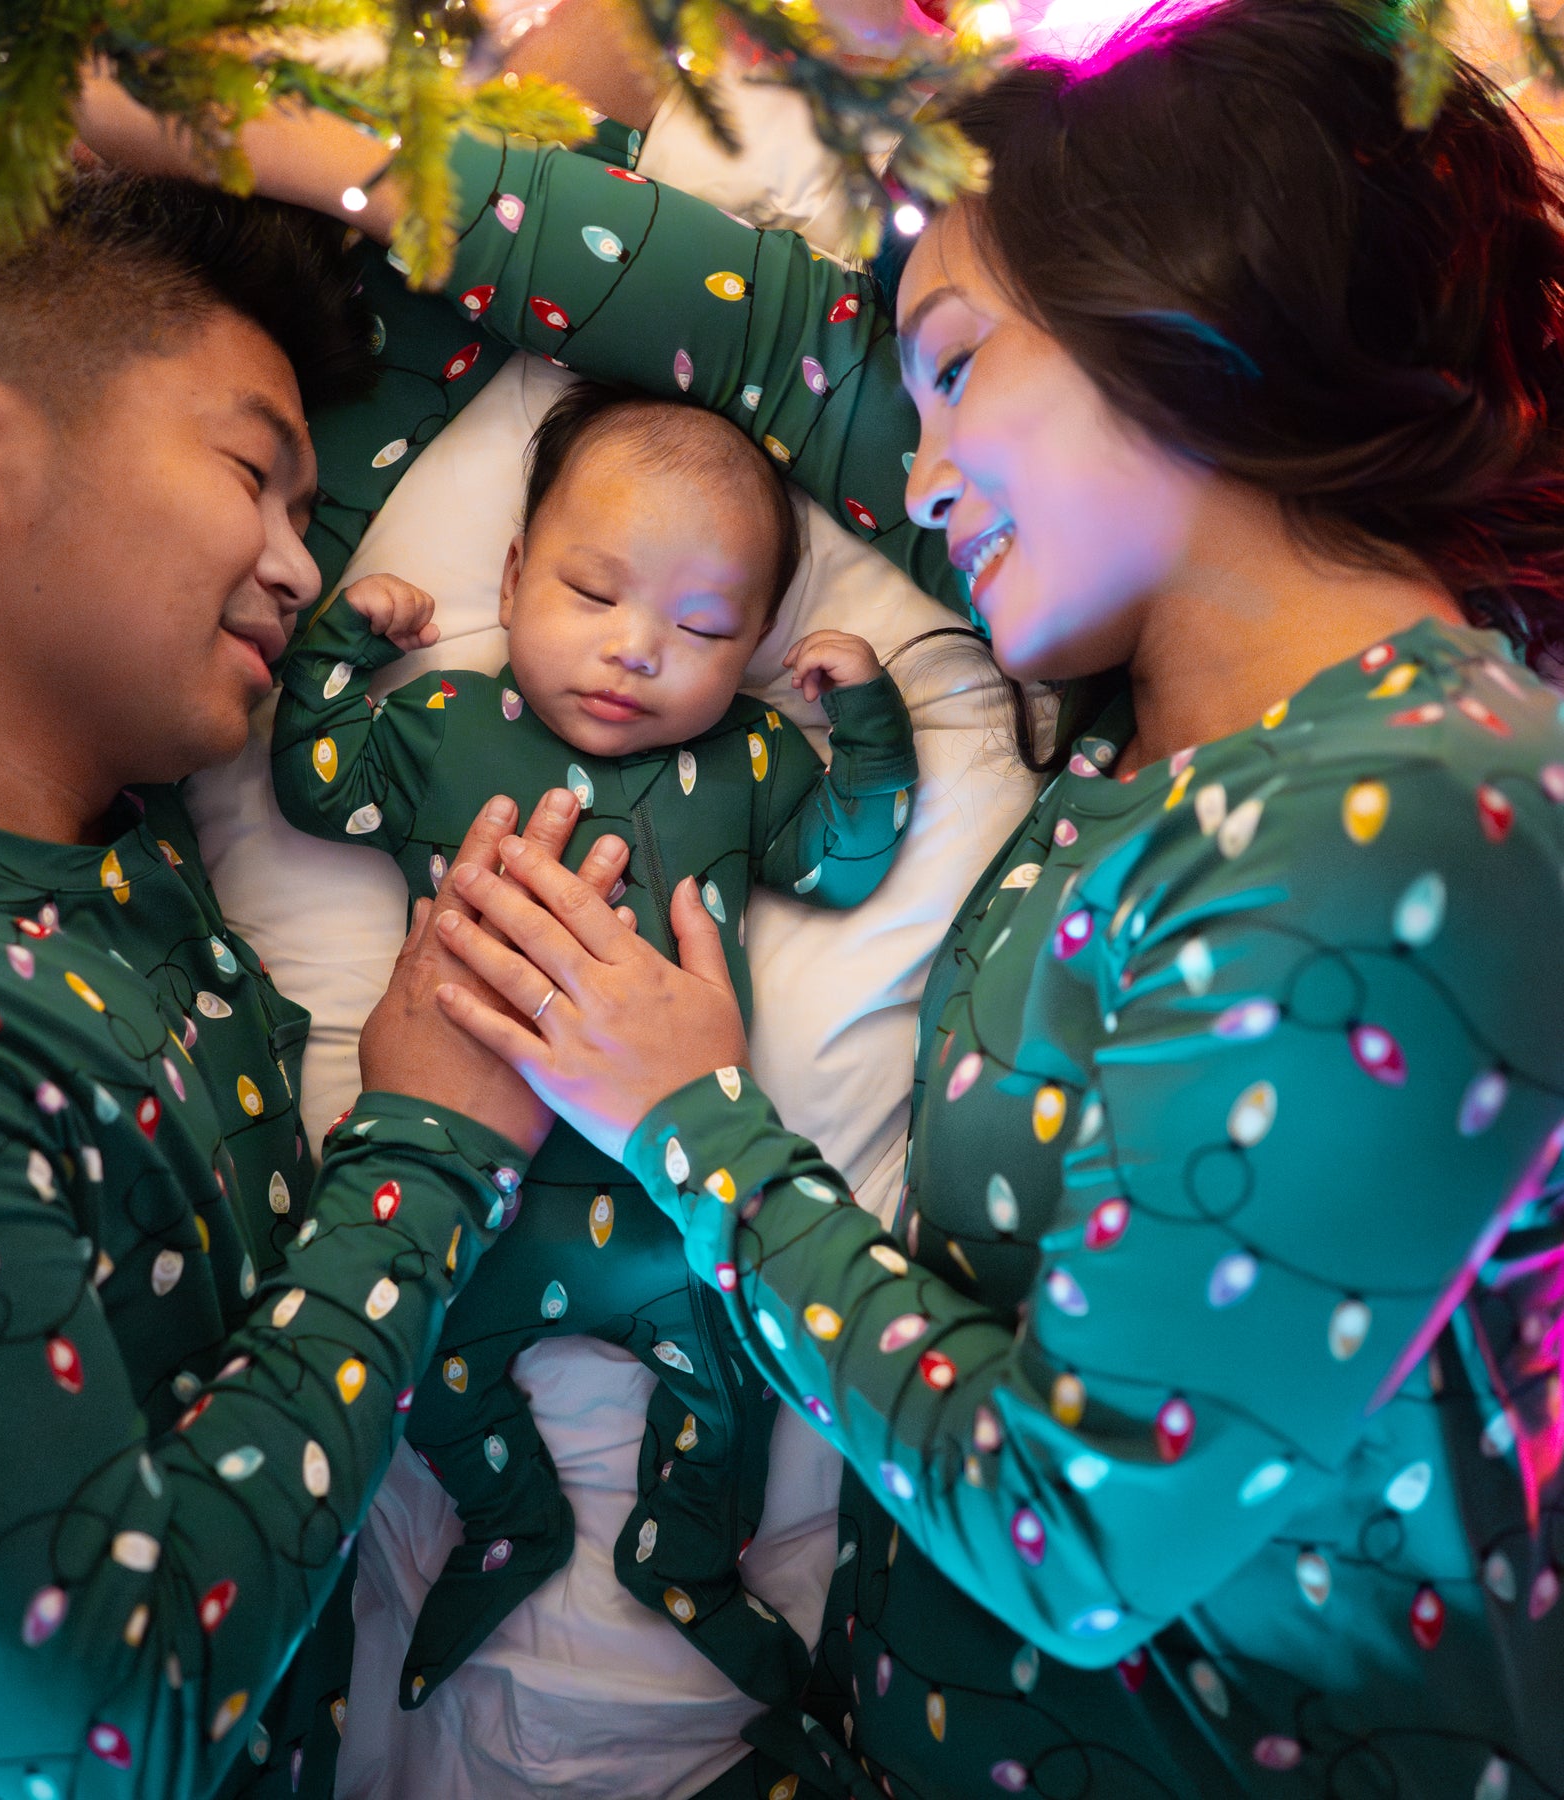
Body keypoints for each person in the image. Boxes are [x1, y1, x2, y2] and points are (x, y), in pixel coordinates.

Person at [385, 2, 1564, 1794]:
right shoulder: (1138, 746)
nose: (918, 469)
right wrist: (182, 129)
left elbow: (1072, 1543)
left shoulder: (1427, 817)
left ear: (1180, 305)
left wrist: (694, 1128)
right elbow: (725, 322)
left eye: (949, 368)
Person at [0, 169, 636, 1800]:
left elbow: (470, 309)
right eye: (256, 475)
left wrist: (154, 116)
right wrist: (427, 1154)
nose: (302, 567)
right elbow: (119, 1725)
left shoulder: (108, 828)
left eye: (311, 511)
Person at [270, 379, 917, 1710]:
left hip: (674, 1200)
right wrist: (340, 650)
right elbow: (316, 781)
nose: (636, 649)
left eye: (699, 625)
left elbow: (848, 860)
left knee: (740, 1385)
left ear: (746, 657)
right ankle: (510, 1521)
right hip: (473, 1199)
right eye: (592, 593)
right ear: (508, 578)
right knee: (418, 1374)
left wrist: (866, 729)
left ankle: (684, 1556)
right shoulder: (442, 724)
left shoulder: (745, 762)